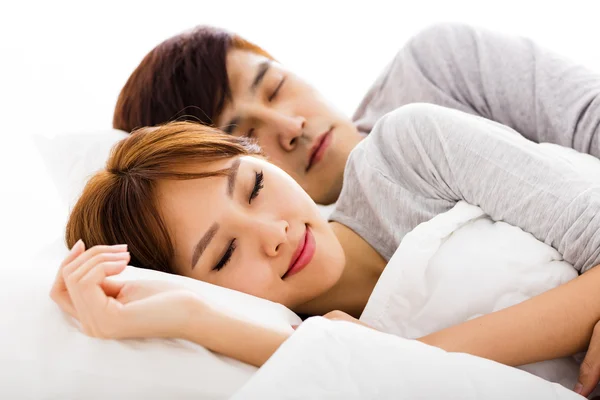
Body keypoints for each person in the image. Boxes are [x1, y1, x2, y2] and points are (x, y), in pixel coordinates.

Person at [54, 103, 600, 396]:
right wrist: (186, 314)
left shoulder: (407, 152)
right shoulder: (300, 353)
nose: (273, 233)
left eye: (255, 187)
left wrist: (401, 352)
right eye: (222, 255)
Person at [113, 22, 600, 205]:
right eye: (245, 139)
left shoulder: (436, 68)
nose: (290, 127)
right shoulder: (305, 283)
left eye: (276, 86)